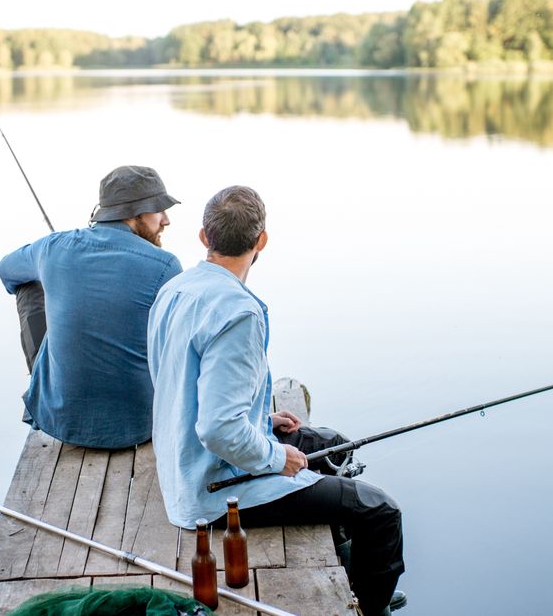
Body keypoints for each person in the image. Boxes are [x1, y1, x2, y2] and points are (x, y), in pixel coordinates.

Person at [147, 186, 405, 616]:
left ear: (203, 237)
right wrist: (273, 456)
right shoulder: (238, 313)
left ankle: (358, 574)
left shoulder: (175, 289)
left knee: (333, 443)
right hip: (214, 491)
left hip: (181, 463)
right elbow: (217, 429)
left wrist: (260, 416)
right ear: (261, 240)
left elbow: (187, 385)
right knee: (380, 510)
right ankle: (371, 609)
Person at [0, 165, 182, 449]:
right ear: (135, 214)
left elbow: (7, 270)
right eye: (159, 210)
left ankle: (44, 380)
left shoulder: (53, 247)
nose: (166, 220)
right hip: (139, 425)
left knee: (29, 283)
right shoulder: (167, 265)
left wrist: (58, 276)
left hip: (60, 420)